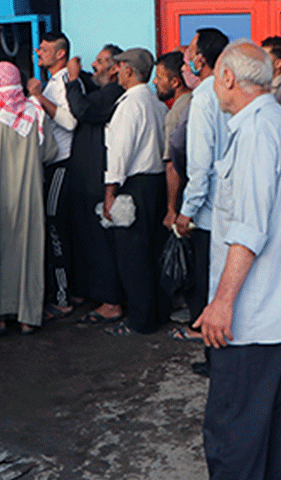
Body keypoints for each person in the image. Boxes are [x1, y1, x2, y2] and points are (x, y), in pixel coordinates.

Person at [195, 39, 281, 479]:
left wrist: (222, 301)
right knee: (263, 433)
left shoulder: (257, 133)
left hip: (247, 319)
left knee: (232, 436)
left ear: (227, 77)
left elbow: (248, 230)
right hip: (273, 316)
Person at [0, 61, 59, 335]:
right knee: (29, 253)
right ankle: (29, 317)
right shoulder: (34, 110)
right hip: (30, 196)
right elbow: (50, 152)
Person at [102, 48, 170, 335]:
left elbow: (120, 153)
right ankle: (156, 313)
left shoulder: (130, 105)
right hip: (157, 185)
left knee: (133, 257)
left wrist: (110, 190)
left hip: (135, 186)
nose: (115, 72)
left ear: (129, 71)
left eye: (118, 67)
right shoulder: (156, 103)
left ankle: (140, 321)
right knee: (152, 253)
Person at [173, 28, 230, 349]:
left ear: (202, 58)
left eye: (190, 51)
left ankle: (215, 355)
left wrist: (187, 211)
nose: (186, 58)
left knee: (210, 285)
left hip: (208, 211)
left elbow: (200, 163)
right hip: (228, 204)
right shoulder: (226, 92)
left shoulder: (205, 97)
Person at [65, 45, 126, 324]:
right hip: (86, 179)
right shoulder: (102, 89)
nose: (95, 66)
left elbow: (81, 109)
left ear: (115, 68)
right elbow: (92, 84)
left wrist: (72, 81)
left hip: (96, 182)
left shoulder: (112, 94)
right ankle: (92, 293)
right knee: (87, 239)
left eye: (101, 62)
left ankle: (111, 301)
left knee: (101, 243)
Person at [28, 31, 79, 321]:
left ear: (61, 53)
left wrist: (37, 97)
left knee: (55, 227)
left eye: (44, 49)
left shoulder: (60, 84)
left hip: (62, 163)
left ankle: (62, 298)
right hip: (52, 164)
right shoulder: (52, 83)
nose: (39, 53)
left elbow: (69, 122)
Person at [154, 51, 192, 232]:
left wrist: (171, 209)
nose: (154, 82)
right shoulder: (196, 101)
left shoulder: (176, 113)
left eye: (159, 77)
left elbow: (172, 166)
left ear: (175, 82)